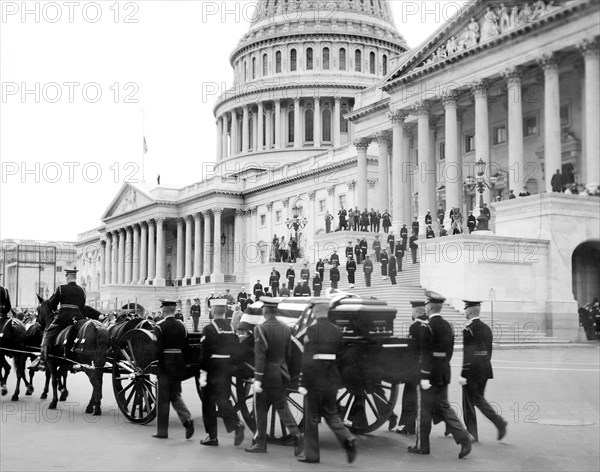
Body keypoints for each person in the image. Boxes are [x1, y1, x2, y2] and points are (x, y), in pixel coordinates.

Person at [409, 291, 472, 458]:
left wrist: (423, 375)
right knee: (444, 406)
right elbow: (449, 352)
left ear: (428, 307)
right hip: (444, 371)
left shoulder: (426, 326)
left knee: (424, 410)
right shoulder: (448, 326)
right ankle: (463, 437)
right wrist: (442, 366)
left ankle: (422, 446)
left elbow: (426, 353)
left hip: (428, 374)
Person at [297, 303, 357, 464]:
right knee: (331, 413)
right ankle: (348, 438)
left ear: (315, 313)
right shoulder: (337, 330)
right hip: (331, 378)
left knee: (311, 418)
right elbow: (341, 355)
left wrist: (303, 382)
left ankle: (312, 455)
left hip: (315, 379)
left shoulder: (312, 330)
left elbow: (307, 358)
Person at [245, 297, 303, 454]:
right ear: (275, 311)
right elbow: (289, 354)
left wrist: (257, 378)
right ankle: (297, 435)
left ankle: (260, 443)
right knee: (282, 407)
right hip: (281, 374)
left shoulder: (260, 329)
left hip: (266, 376)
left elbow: (260, 355)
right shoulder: (286, 328)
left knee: (261, 409)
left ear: (264, 311)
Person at [460, 300, 507, 442]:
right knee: (478, 398)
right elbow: (489, 351)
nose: (464, 312)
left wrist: (463, 374)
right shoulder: (487, 328)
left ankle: (472, 433)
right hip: (485, 368)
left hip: (471, 370)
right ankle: (499, 422)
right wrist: (484, 365)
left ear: (470, 311)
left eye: (466, 309)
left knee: (468, 402)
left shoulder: (468, 329)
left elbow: (467, 354)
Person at [199, 304, 245, 447]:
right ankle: (236, 424)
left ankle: (212, 437)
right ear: (225, 312)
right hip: (227, 368)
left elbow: (204, 352)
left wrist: (202, 371)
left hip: (213, 367)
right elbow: (237, 350)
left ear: (212, 312)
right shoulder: (231, 329)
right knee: (223, 398)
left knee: (208, 402)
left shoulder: (209, 328)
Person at [153, 299, 194, 440]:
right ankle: (186, 419)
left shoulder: (159, 326)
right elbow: (186, 347)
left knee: (163, 398)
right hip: (178, 363)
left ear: (164, 311)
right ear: (174, 310)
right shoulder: (182, 326)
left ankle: (162, 431)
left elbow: (157, 349)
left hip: (165, 364)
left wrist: (155, 366)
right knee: (175, 393)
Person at [35, 269, 85, 371]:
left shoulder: (61, 288)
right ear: (75, 277)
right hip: (78, 318)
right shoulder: (82, 290)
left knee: (47, 335)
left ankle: (42, 360)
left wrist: (55, 309)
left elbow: (52, 305)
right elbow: (82, 306)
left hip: (63, 318)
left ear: (67, 277)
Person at [396, 301, 428, 435]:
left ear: (416, 312)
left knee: (409, 397)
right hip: (426, 367)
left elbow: (412, 350)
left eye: (413, 312)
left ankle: (408, 426)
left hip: (415, 368)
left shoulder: (415, 326)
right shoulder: (428, 325)